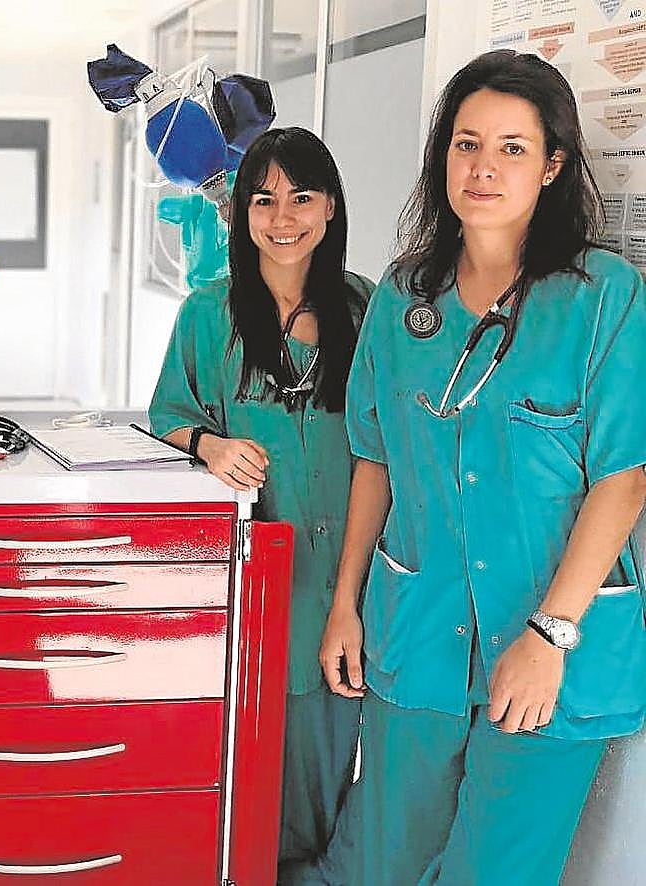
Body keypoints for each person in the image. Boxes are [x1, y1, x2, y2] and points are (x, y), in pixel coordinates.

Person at [314, 49, 646, 885]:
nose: (484, 168)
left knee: (492, 874)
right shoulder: (402, 296)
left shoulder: (603, 296)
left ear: (553, 164)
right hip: (419, 635)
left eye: (512, 148)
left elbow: (624, 476)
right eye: (467, 145)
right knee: (378, 867)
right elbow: (375, 459)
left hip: (550, 655)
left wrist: (549, 635)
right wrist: (345, 606)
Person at [148, 127, 372, 876]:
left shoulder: (364, 309)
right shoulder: (209, 312)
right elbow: (166, 414)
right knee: (240, 748)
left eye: (302, 197)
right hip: (253, 578)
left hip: (349, 574)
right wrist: (207, 446)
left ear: (332, 207)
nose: (283, 217)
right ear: (240, 211)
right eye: (263, 199)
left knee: (325, 749)